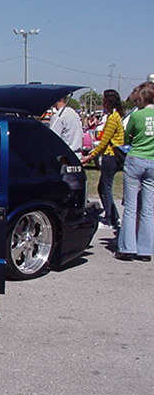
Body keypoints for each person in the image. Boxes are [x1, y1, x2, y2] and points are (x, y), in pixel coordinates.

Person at [115, 82, 154, 261]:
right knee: (148, 208)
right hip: (152, 160)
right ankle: (145, 250)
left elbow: (127, 136)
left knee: (131, 207)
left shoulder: (137, 115)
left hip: (135, 159)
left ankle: (127, 247)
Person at [81, 90, 125, 229]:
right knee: (103, 187)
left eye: (104, 100)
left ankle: (110, 219)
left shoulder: (112, 118)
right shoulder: (114, 116)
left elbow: (104, 142)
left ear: (108, 102)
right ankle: (113, 216)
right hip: (110, 156)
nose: (102, 102)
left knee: (106, 188)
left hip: (110, 156)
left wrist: (90, 156)